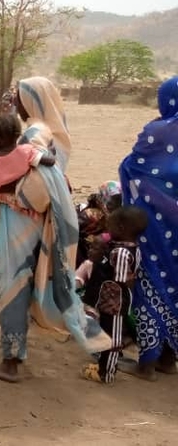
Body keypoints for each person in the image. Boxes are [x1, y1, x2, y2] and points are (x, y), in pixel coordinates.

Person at [0, 78, 109, 384]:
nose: (16, 104)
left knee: (11, 282)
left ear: (32, 100)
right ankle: (16, 348)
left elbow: (38, 189)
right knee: (20, 281)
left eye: (19, 98)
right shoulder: (51, 132)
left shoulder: (34, 134)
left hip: (21, 222)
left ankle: (10, 361)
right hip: (33, 222)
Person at [118, 75, 178, 380]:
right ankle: (168, 359)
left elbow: (133, 166)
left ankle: (146, 362)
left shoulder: (157, 131)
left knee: (150, 285)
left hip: (155, 232)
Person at [80, 207, 146, 384]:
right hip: (110, 301)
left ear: (122, 229)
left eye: (111, 226)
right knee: (107, 333)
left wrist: (100, 258)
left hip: (115, 303)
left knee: (113, 338)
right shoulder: (127, 248)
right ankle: (103, 365)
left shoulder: (121, 253)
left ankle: (106, 373)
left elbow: (118, 280)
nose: (107, 230)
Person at [0, 115, 57, 192]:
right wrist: (50, 149)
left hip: (2, 203)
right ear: (18, 135)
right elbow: (50, 161)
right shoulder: (26, 151)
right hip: (26, 200)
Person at [17, 76, 72, 171]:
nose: (16, 105)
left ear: (31, 102)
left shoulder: (34, 136)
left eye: (19, 101)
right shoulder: (59, 135)